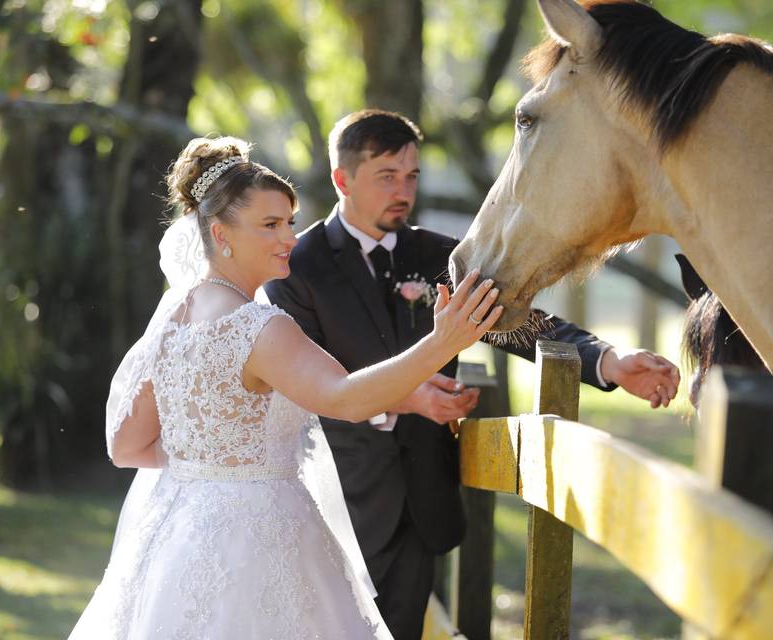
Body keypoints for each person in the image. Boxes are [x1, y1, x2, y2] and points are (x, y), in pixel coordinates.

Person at [265, 109, 681, 640]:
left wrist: (609, 361)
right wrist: (406, 398)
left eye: (412, 176)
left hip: (422, 497)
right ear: (342, 179)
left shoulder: (445, 257)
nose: (404, 191)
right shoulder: (297, 266)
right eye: (386, 176)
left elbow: (523, 326)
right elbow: (299, 381)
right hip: (333, 499)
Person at [69, 135, 503, 640]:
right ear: (220, 233)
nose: (290, 238)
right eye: (270, 225)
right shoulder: (259, 327)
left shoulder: (173, 319)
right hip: (261, 542)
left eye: (291, 222)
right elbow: (344, 397)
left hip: (177, 539)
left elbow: (126, 447)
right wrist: (441, 340)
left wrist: (214, 459)